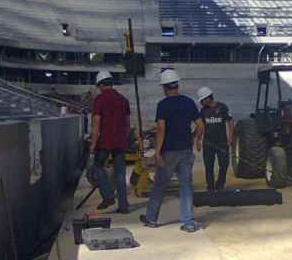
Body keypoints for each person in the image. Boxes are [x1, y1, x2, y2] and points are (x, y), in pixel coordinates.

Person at [140, 68, 203, 233]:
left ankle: (151, 218)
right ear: (177, 85)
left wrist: (158, 151)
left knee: (160, 185)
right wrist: (195, 138)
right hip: (186, 151)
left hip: (169, 151)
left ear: (164, 87)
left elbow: (161, 129)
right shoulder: (189, 102)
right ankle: (188, 222)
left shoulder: (163, 105)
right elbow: (200, 125)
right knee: (186, 186)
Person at [90, 69, 130, 213]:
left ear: (100, 85)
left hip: (104, 142)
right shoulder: (123, 100)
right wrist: (124, 139)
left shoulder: (99, 100)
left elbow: (96, 123)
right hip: (120, 142)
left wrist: (93, 143)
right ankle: (124, 206)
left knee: (97, 166)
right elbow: (127, 123)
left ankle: (108, 196)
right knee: (120, 175)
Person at [197, 86, 234, 191]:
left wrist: (230, 137)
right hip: (208, 143)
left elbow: (230, 121)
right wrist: (198, 140)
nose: (201, 102)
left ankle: (220, 185)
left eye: (202, 100)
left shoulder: (222, 107)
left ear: (208, 98)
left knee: (224, 165)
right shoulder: (203, 111)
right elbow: (200, 126)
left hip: (222, 142)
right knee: (209, 167)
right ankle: (211, 187)